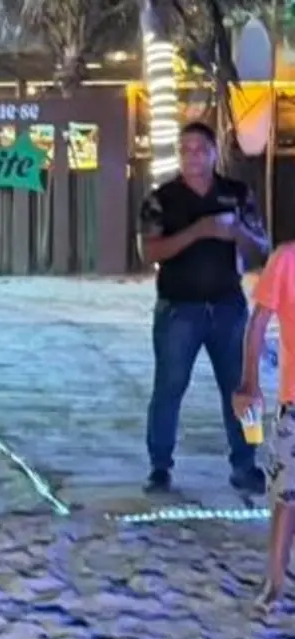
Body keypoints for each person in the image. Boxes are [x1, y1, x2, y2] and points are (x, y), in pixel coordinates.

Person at [140, 121, 269, 496]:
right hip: (179, 309)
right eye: (185, 149)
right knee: (169, 388)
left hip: (228, 306)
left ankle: (246, 463)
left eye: (200, 149)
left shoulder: (237, 194)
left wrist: (236, 233)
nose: (192, 156)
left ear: (215, 153)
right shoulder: (161, 199)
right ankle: (159, 467)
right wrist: (198, 231)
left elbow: (262, 249)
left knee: (241, 387)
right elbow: (149, 251)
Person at [234, 243, 295, 608]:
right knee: (286, 496)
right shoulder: (286, 260)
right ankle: (274, 581)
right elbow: (258, 322)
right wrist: (249, 382)